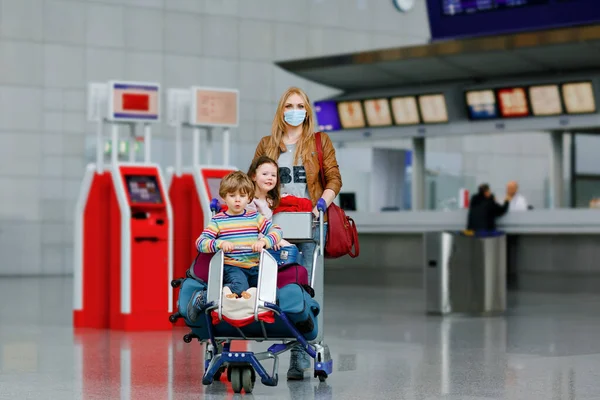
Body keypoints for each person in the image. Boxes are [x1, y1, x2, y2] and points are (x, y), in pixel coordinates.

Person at [252, 86, 343, 381]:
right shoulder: (267, 144)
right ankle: (273, 334)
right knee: (270, 284)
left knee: (302, 288)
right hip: (272, 223)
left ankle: (300, 354)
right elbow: (254, 179)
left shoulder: (318, 142)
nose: (295, 110)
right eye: (290, 105)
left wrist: (321, 203)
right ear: (282, 110)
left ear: (307, 111)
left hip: (308, 223)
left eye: (300, 105)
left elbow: (334, 178)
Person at [187, 171, 282, 322]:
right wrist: (220, 244)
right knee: (239, 286)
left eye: (242, 196)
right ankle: (203, 297)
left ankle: (250, 311)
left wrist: (264, 241)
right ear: (224, 197)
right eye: (232, 196)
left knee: (271, 291)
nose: (237, 200)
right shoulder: (218, 220)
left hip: (254, 266)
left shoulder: (255, 217)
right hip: (233, 266)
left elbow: (277, 231)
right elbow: (200, 242)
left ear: (249, 198)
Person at [246, 155, 294, 249]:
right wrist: (269, 240)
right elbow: (250, 228)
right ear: (253, 176)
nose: (270, 178)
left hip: (268, 238)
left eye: (273, 175)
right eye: (265, 174)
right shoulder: (249, 200)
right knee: (289, 249)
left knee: (291, 248)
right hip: (253, 241)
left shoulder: (270, 199)